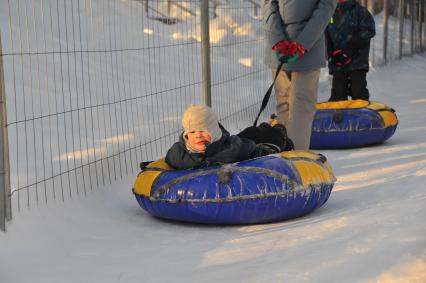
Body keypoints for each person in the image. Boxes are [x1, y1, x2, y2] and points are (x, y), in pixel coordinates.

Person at [261, 0, 337, 150]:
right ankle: (295, 159)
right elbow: (325, 8)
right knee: (301, 107)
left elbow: (268, 7)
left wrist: (277, 40)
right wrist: (303, 42)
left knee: (284, 105)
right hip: (307, 48)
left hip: (280, 51)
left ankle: (284, 156)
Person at [165, 104, 292, 170]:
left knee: (269, 136)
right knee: (250, 133)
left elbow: (250, 149)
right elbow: (169, 159)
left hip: (242, 143)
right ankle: (262, 129)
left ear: (213, 132)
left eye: (203, 131)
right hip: (231, 140)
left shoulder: (232, 148)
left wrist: (265, 151)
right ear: (186, 135)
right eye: (192, 132)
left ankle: (276, 130)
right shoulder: (178, 153)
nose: (198, 135)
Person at [325, 0, 376, 101]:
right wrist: (331, 55)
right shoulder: (330, 13)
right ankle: (339, 116)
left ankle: (361, 115)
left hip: (357, 63)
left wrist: (351, 47)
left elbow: (369, 30)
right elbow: (327, 34)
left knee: (358, 92)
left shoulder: (360, 12)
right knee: (338, 96)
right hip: (338, 63)